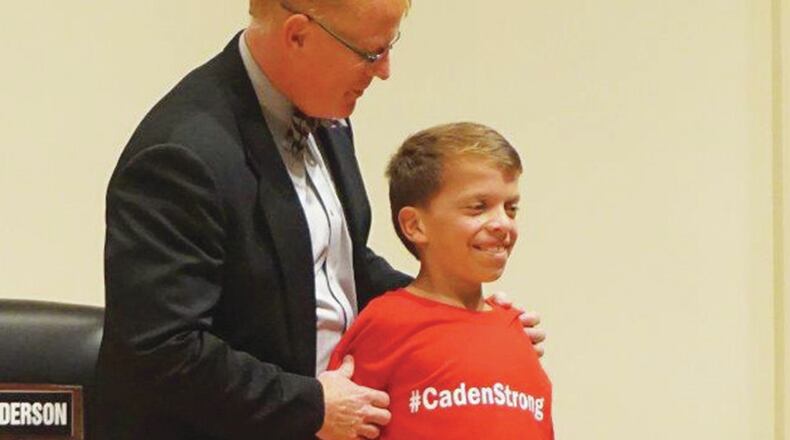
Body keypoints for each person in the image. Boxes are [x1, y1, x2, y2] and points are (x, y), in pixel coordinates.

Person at [95, 1, 545, 439]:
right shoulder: (181, 155)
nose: (384, 71)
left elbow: (338, 262)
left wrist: (455, 316)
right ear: (297, 35)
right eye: (370, 52)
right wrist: (310, 406)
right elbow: (161, 351)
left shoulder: (325, 113)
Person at [328, 122, 554, 439]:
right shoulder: (385, 324)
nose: (502, 223)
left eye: (510, 208)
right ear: (415, 225)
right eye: (478, 207)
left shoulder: (517, 332)